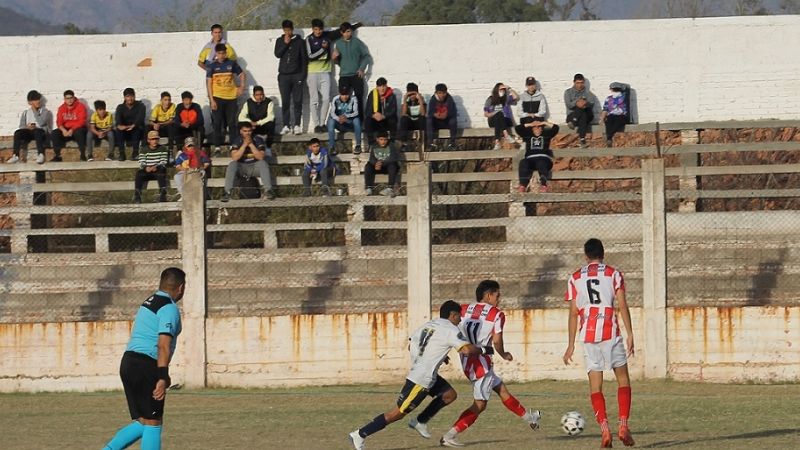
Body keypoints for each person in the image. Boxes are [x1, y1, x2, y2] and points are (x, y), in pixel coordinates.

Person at [348, 300, 488, 450]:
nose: (460, 320)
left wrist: (438, 355)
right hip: (421, 380)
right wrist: (484, 350)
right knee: (397, 413)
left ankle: (420, 421)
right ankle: (360, 434)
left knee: (449, 395)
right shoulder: (450, 329)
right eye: (459, 316)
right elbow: (466, 350)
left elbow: (412, 346)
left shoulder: (428, 325)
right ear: (452, 315)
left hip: (424, 373)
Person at [440, 280, 541, 447]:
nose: (499, 299)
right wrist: (504, 354)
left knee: (502, 390)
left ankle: (531, 418)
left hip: (467, 361)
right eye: (497, 295)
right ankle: (449, 435)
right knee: (480, 405)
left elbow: (447, 328)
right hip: (481, 364)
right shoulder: (497, 314)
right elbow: (497, 341)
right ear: (488, 295)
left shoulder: (463, 309)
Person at [101, 267, 185, 450]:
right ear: (181, 287)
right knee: (154, 423)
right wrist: (162, 376)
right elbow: (162, 344)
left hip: (128, 363)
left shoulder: (148, 302)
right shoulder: (169, 308)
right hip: (146, 365)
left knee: (144, 421)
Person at [563, 238, 635, 448]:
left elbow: (573, 314)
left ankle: (605, 430)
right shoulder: (614, 274)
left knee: (596, 386)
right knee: (623, 380)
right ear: (603, 254)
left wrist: (570, 345)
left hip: (588, 336)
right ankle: (622, 425)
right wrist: (630, 333)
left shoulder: (575, 277)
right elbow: (622, 305)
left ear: (586, 256)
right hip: (610, 333)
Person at [305, 19, 360, 133]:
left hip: (325, 72)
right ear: (312, 29)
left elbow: (340, 31)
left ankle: (322, 123)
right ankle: (316, 125)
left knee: (326, 99)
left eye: (320, 29)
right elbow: (310, 56)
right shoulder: (308, 39)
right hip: (312, 73)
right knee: (314, 100)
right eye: (316, 29)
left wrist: (355, 26)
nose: (318, 32)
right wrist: (323, 49)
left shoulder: (327, 36)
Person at [206, 43, 246, 156]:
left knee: (232, 123)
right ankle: (217, 147)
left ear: (226, 53)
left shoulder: (231, 63)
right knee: (217, 122)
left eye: (223, 53)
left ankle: (233, 145)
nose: (221, 55)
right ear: (216, 54)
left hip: (231, 97)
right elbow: (209, 83)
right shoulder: (212, 66)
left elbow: (242, 75)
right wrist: (211, 99)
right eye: (219, 53)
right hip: (217, 97)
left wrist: (241, 87)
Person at [221, 122, 275, 202]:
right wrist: (244, 145)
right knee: (232, 165)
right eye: (245, 131)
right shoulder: (236, 140)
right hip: (241, 166)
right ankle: (227, 192)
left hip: (255, 166)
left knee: (263, 163)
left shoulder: (258, 140)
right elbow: (235, 157)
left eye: (249, 131)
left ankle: (268, 191)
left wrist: (251, 145)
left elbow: (260, 157)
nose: (247, 133)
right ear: (241, 131)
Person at [274, 19, 306, 135]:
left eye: (289, 30)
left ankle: (297, 124)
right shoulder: (279, 40)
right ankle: (286, 125)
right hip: (283, 76)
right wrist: (285, 43)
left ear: (293, 29)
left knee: (297, 101)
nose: (288, 32)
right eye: (285, 30)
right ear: (283, 30)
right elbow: (277, 54)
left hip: (297, 75)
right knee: (285, 101)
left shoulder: (300, 42)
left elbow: (304, 60)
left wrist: (302, 76)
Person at [333, 22, 371, 117]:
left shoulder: (357, 42)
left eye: (349, 31)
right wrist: (334, 58)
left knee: (359, 99)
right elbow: (338, 62)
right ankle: (343, 124)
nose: (348, 34)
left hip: (356, 75)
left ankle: (360, 122)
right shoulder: (338, 44)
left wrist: (362, 69)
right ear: (341, 32)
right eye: (345, 32)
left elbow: (366, 56)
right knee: (343, 99)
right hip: (344, 76)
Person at [514, 121, 559, 193]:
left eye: (539, 127)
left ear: (542, 129)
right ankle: (523, 185)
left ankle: (543, 184)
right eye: (535, 127)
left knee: (541, 163)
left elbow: (556, 128)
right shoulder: (528, 135)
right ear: (532, 129)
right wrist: (530, 124)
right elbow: (518, 128)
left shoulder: (546, 135)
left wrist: (544, 123)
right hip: (530, 160)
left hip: (544, 159)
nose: (537, 129)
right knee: (523, 162)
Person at [8, 89, 52, 165]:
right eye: (35, 100)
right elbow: (21, 126)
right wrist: (27, 127)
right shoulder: (25, 113)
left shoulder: (45, 111)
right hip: (29, 132)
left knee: (37, 131)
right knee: (17, 132)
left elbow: (41, 123)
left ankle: (41, 154)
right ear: (30, 102)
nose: (37, 101)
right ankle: (15, 155)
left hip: (40, 132)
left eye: (38, 99)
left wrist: (35, 110)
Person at [51, 89, 88, 162]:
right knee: (54, 133)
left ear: (74, 98)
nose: (70, 100)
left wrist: (72, 129)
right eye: (67, 98)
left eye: (71, 98)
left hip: (77, 128)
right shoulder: (62, 108)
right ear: (64, 99)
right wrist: (63, 130)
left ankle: (83, 155)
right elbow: (59, 122)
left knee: (79, 132)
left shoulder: (80, 106)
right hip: (66, 130)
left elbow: (81, 121)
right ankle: (57, 155)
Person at [134, 130, 170, 204]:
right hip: (147, 170)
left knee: (161, 171)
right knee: (139, 173)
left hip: (158, 169)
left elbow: (164, 161)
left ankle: (163, 193)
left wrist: (156, 166)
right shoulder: (144, 149)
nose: (155, 141)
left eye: (156, 139)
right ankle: (137, 194)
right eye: (153, 139)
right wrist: (146, 168)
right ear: (148, 140)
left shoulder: (163, 149)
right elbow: (142, 161)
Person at [327, 86, 362, 154]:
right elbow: (332, 113)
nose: (345, 97)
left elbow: (356, 112)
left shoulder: (353, 98)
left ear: (350, 93)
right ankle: (332, 147)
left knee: (357, 121)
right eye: (343, 94)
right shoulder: (335, 99)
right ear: (339, 93)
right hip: (339, 122)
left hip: (349, 122)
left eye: (347, 94)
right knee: (331, 121)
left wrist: (346, 116)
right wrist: (338, 118)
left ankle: (358, 145)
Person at [564, 73, 596, 148]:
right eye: (578, 83)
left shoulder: (588, 92)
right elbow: (569, 105)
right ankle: (582, 139)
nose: (580, 85)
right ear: (574, 82)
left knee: (583, 109)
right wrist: (577, 102)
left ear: (584, 82)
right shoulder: (568, 92)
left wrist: (585, 103)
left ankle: (573, 122)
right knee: (582, 113)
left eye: (581, 83)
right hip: (572, 116)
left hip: (581, 118)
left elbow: (592, 103)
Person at [364, 131, 401, 197]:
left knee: (393, 165)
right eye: (381, 139)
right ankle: (368, 188)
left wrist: (381, 163)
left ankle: (390, 188)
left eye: (385, 139)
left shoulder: (391, 146)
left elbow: (392, 158)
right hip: (378, 166)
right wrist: (376, 163)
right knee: (368, 166)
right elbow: (371, 158)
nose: (383, 142)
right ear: (377, 139)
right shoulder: (374, 146)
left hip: (388, 167)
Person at [173, 137, 211, 201]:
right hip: (186, 171)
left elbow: (206, 163)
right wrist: (184, 169)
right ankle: (183, 194)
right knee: (177, 177)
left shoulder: (201, 153)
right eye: (189, 146)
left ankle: (202, 194)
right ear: (185, 146)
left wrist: (201, 168)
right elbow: (177, 165)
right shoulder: (182, 155)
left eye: (192, 145)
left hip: (198, 170)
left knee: (203, 174)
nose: (191, 147)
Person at [114, 87, 146, 161]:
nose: (130, 98)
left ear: (134, 96)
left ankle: (135, 153)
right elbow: (117, 120)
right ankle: (122, 154)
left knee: (136, 129)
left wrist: (133, 125)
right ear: (125, 97)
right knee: (118, 131)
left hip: (136, 129)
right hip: (125, 130)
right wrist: (120, 126)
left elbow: (140, 119)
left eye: (132, 96)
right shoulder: (120, 107)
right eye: (128, 96)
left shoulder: (141, 106)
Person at [483, 82, 518, 150]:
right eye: (500, 90)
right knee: (498, 114)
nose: (502, 91)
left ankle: (497, 142)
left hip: (505, 121)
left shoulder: (505, 99)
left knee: (500, 115)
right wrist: (495, 113)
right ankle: (506, 135)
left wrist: (509, 88)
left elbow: (515, 97)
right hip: (493, 121)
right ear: (496, 90)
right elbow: (486, 114)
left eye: (503, 90)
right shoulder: (490, 99)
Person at [363, 77, 398, 144]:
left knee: (393, 119)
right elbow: (367, 110)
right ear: (377, 87)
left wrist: (384, 116)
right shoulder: (372, 94)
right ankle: (371, 143)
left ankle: (392, 141)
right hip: (376, 120)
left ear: (386, 86)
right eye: (380, 86)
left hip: (386, 120)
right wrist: (373, 115)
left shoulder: (391, 95)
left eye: (384, 86)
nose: (382, 89)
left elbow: (393, 110)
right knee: (368, 120)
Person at [426, 83, 458, 151]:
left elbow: (453, 112)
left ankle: (453, 143)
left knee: (453, 121)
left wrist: (446, 115)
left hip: (446, 122)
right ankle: (430, 143)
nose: (442, 95)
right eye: (440, 93)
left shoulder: (449, 99)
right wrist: (435, 115)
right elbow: (430, 112)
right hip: (437, 122)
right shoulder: (433, 99)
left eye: (444, 93)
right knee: (429, 120)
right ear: (436, 93)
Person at [397, 82, 426, 147]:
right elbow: (403, 114)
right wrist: (404, 100)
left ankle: (423, 141)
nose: (412, 96)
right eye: (410, 95)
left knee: (423, 118)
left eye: (413, 94)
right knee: (403, 119)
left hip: (418, 123)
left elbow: (423, 114)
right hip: (410, 123)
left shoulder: (421, 100)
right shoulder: (407, 101)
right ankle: (403, 141)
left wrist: (421, 101)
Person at [601, 83, 629, 147]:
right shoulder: (609, 98)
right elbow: (605, 109)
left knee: (618, 121)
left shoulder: (623, 97)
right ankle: (609, 138)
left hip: (621, 115)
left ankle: (609, 136)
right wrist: (602, 119)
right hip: (612, 115)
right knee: (608, 120)